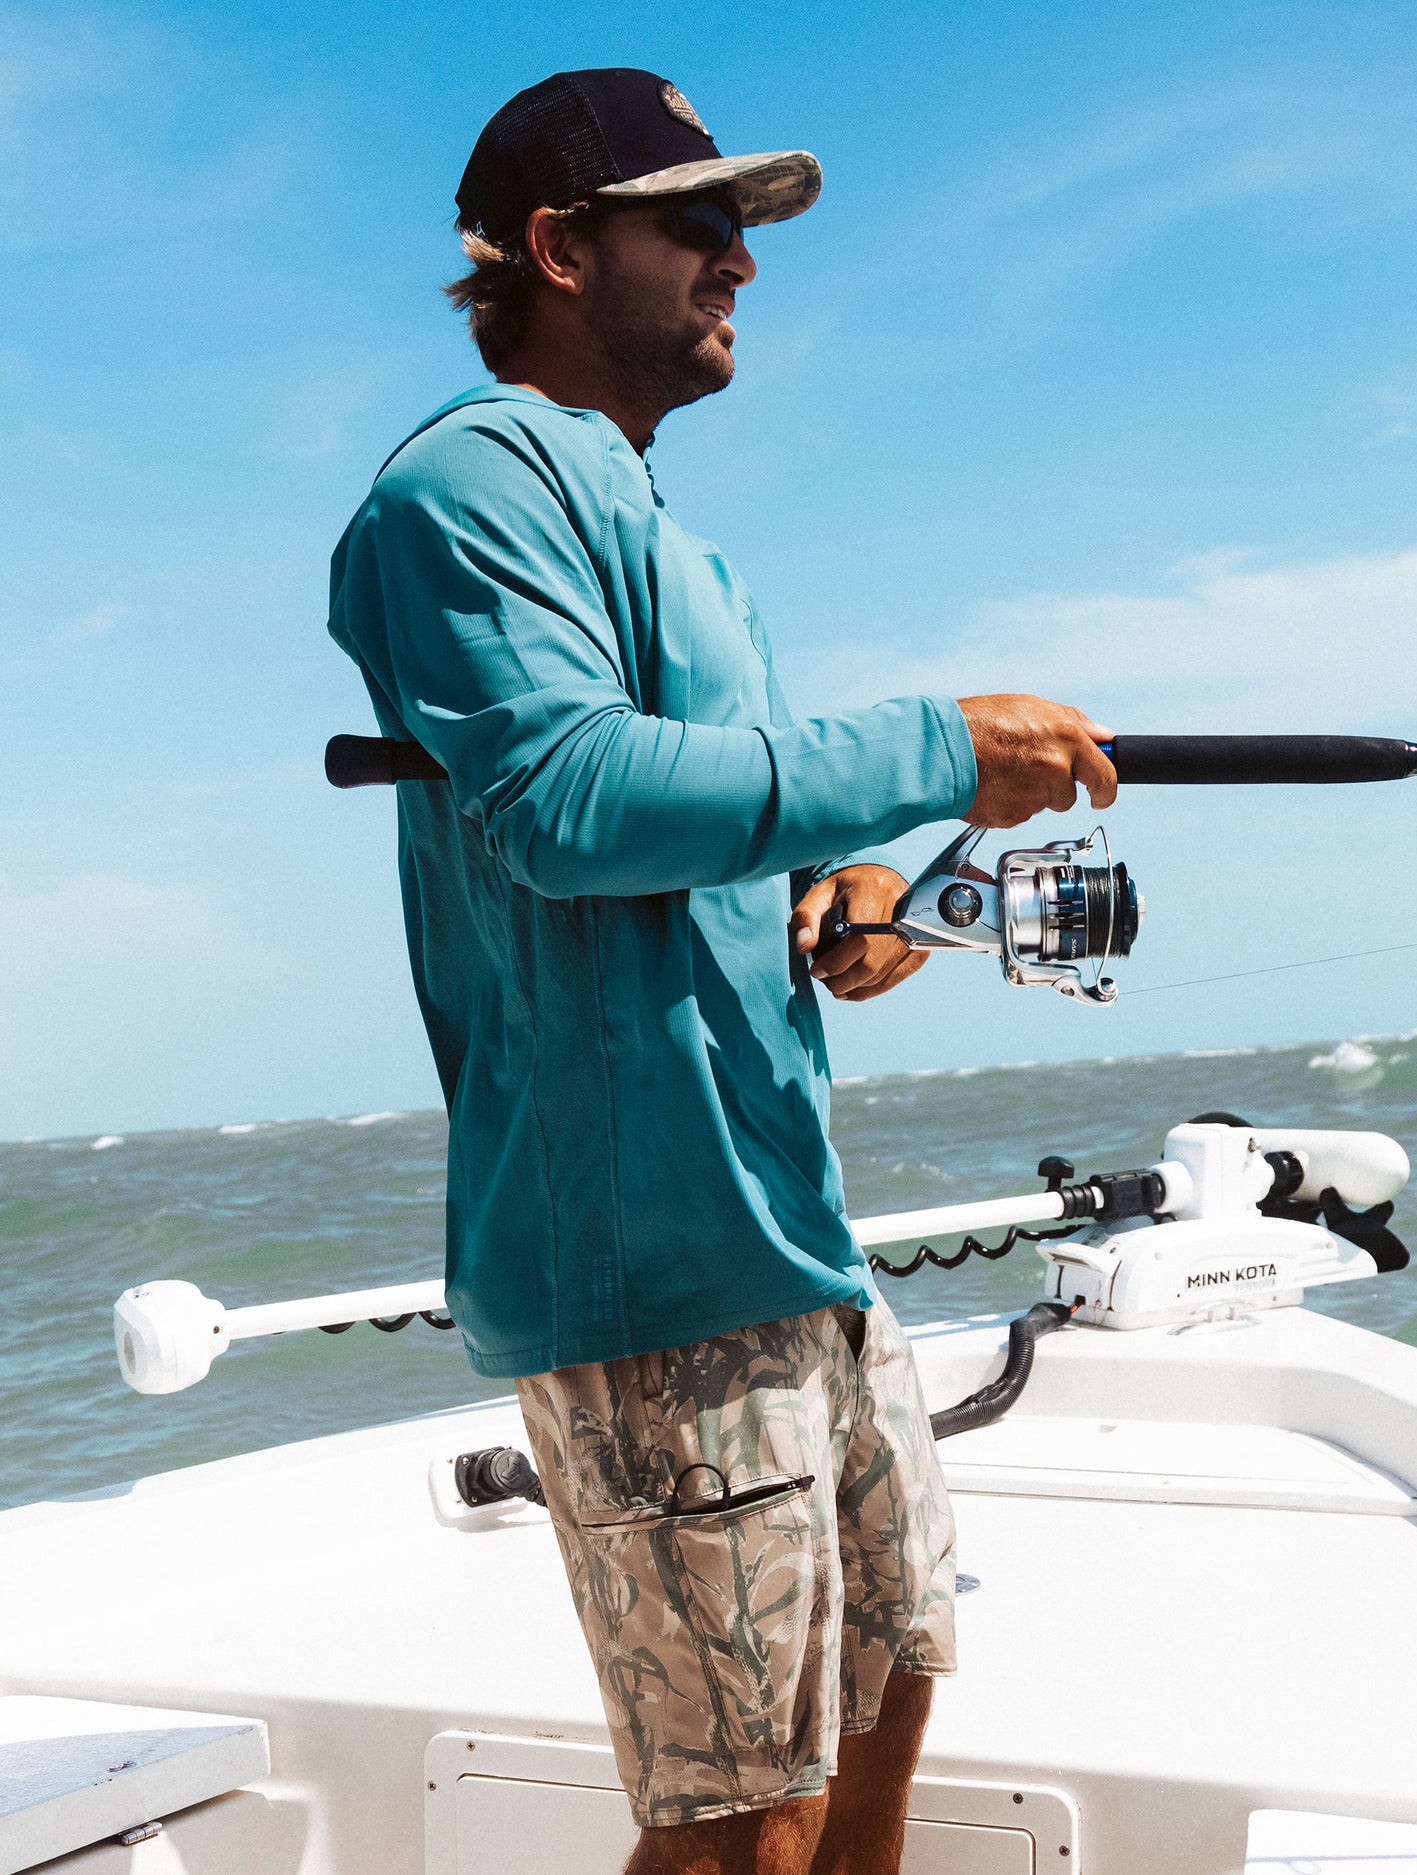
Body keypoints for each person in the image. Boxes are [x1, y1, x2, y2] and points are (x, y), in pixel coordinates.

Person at [328, 67, 1116, 1875]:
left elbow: (718, 828)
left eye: (739, 229)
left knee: (886, 1707)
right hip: (648, 1269)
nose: (740, 262)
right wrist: (934, 748)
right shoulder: (464, 488)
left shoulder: (687, 552)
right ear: (556, 248)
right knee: (743, 1827)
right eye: (697, 223)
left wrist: (845, 891)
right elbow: (570, 800)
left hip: (794, 1246)